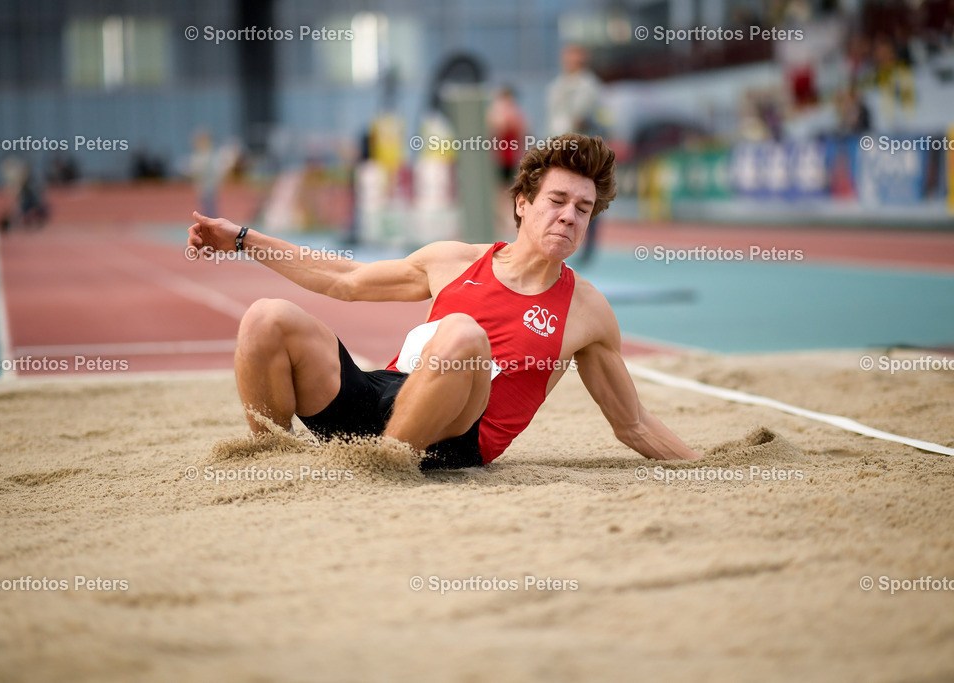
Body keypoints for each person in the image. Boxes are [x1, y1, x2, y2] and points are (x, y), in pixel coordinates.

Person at [187, 133, 701, 470]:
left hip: (455, 435)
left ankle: (384, 468)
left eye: (584, 209)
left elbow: (631, 422)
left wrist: (709, 467)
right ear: (522, 204)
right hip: (383, 397)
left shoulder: (587, 310)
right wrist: (240, 238)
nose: (570, 217)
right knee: (265, 317)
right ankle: (269, 458)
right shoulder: (453, 259)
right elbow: (343, 278)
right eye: (558, 201)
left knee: (462, 333)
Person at [547, 45, 604, 266]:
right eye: (567, 55)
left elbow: (584, 117)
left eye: (575, 56)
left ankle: (586, 246)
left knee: (587, 198)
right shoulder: (556, 86)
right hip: (557, 149)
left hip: (582, 151)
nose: (570, 60)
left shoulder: (590, 86)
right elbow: (552, 118)